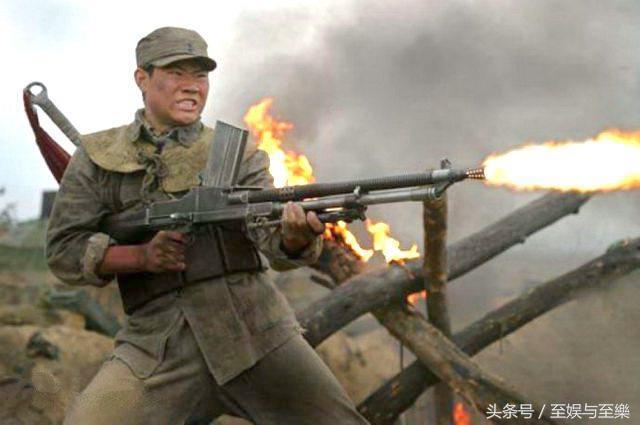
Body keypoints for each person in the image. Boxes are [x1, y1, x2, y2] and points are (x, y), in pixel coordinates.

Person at [46, 26, 370, 425]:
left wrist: (294, 236)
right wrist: (140, 257)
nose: (191, 86)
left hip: (257, 333)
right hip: (156, 346)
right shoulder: (99, 158)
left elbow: (274, 242)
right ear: (142, 78)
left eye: (199, 75)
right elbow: (63, 250)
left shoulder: (236, 151)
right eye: (175, 73)